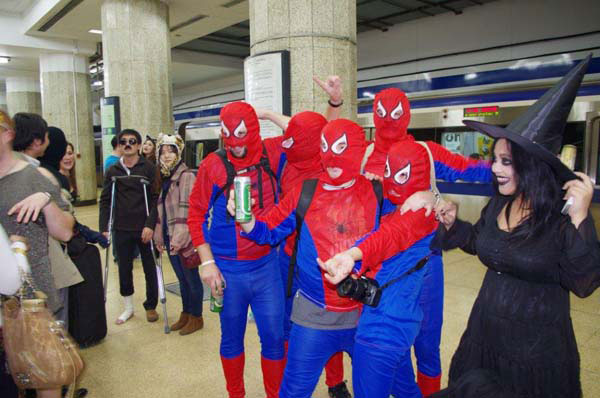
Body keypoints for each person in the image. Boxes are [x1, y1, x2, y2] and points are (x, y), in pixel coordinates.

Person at [432, 56, 600, 398]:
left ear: (532, 166)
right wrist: (453, 225)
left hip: (535, 354)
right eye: (495, 159)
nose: (494, 168)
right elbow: (480, 241)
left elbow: (584, 282)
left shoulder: (560, 218)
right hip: (485, 339)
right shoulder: (500, 204)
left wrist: (582, 217)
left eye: (506, 162)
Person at [228, 119, 382, 398]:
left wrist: (432, 200)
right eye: (326, 147)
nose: (332, 157)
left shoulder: (376, 190)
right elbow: (269, 229)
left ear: (360, 149)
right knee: (294, 391)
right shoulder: (305, 191)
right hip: (314, 313)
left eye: (341, 148)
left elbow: (405, 229)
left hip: (366, 315)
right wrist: (246, 220)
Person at [363, 87, 492, 396]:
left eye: (396, 114)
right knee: (387, 343)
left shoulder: (428, 152)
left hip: (425, 263)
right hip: (380, 265)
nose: (389, 121)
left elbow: (470, 170)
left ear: (406, 114)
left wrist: (519, 167)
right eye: (382, 113)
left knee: (427, 344)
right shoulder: (364, 155)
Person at [318, 140, 440, 397]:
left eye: (402, 174)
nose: (392, 180)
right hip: (396, 325)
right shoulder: (400, 208)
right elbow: (380, 233)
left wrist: (352, 255)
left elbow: (389, 237)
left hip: (381, 332)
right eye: (389, 171)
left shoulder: (421, 213)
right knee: (406, 389)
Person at [258, 75, 352, 398]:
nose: (288, 139)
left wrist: (336, 102)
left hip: (323, 257)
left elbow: (322, 128)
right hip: (288, 255)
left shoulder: (328, 161)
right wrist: (269, 116)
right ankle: (290, 380)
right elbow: (299, 127)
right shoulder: (283, 153)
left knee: (330, 322)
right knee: (288, 322)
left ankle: (335, 382)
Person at [187, 101, 285, 398]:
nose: (236, 145)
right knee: (231, 339)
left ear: (254, 130)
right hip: (228, 269)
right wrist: (207, 262)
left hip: (267, 266)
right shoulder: (213, 164)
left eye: (241, 134)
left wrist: (267, 114)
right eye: (228, 135)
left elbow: (310, 132)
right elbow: (195, 213)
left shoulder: (273, 151)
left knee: (274, 338)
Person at [0, 110, 75, 398]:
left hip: (32, 299)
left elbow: (66, 231)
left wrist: (45, 201)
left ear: (8, 133)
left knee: (45, 373)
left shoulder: (34, 175)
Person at [99, 128, 159, 325]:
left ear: (139, 146)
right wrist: (105, 227)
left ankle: (151, 305)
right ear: (119, 145)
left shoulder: (148, 168)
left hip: (144, 227)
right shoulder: (113, 171)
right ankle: (128, 307)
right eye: (123, 141)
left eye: (132, 141)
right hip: (121, 228)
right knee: (124, 268)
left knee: (150, 268)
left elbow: (155, 199)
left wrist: (150, 225)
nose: (127, 144)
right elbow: (106, 200)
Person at [153, 132, 204, 336]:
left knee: (191, 278)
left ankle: (197, 316)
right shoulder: (165, 177)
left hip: (184, 237)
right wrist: (159, 236)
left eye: (171, 151)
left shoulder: (186, 176)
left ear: (178, 153)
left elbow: (186, 210)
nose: (166, 156)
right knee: (181, 279)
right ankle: (186, 312)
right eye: (163, 152)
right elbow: (161, 210)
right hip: (169, 233)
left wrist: (178, 239)